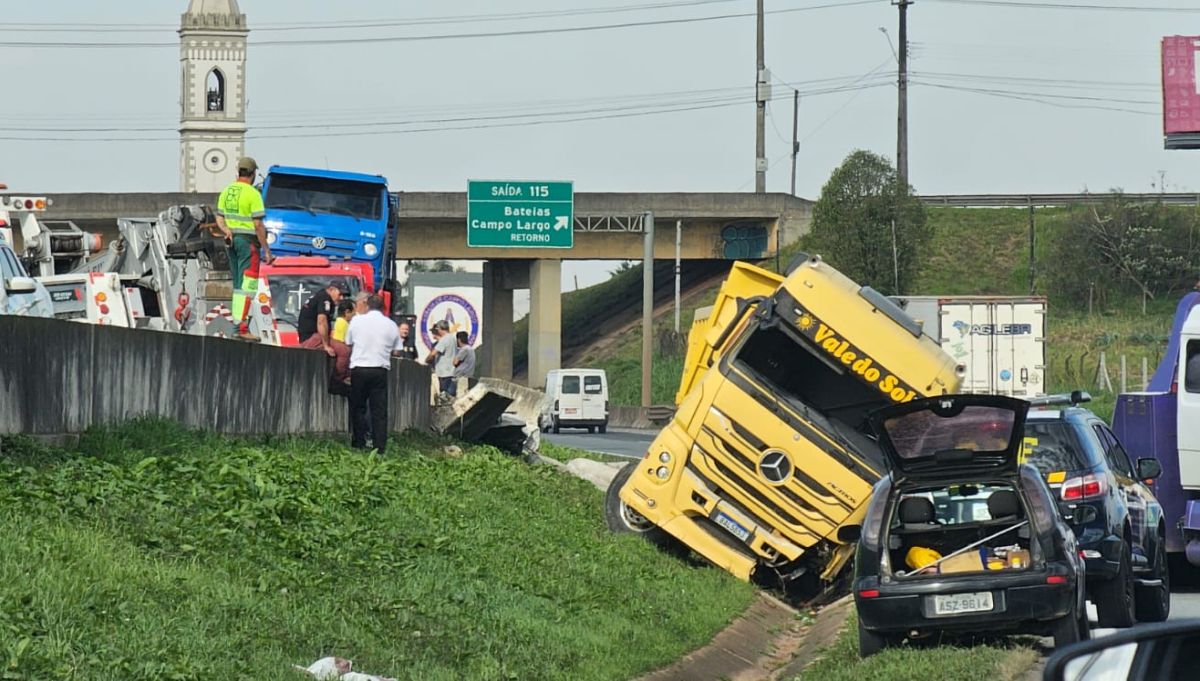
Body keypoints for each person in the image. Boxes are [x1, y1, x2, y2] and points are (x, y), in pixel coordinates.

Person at [214, 156, 275, 341]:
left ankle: (238, 327)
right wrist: (267, 250)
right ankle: (240, 329)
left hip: (231, 242)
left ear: (238, 172)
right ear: (253, 174)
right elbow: (258, 225)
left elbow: (219, 217)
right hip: (248, 244)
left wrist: (226, 230)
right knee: (247, 287)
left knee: (238, 286)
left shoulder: (227, 191)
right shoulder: (253, 194)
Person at [344, 294, 405, 452]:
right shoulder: (391, 325)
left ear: (367, 305)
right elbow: (397, 350)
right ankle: (379, 446)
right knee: (379, 410)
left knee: (358, 407)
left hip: (359, 368)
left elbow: (348, 342)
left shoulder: (357, 321)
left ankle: (358, 442)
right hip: (379, 369)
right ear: (383, 307)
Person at [297, 280, 348, 355]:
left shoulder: (321, 295)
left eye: (344, 295)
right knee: (344, 351)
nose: (342, 298)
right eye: (340, 294)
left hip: (308, 337)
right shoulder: (325, 298)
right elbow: (321, 321)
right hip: (312, 337)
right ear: (331, 289)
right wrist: (326, 346)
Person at [424, 320, 456, 397]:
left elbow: (433, 353)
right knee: (450, 396)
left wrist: (426, 361)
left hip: (444, 373)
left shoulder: (445, 339)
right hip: (452, 372)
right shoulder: (452, 338)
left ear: (440, 329)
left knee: (444, 396)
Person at [450, 331, 476, 397]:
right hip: (467, 377)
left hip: (461, 378)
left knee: (456, 397)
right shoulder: (470, 349)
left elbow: (455, 362)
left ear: (459, 340)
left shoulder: (464, 349)